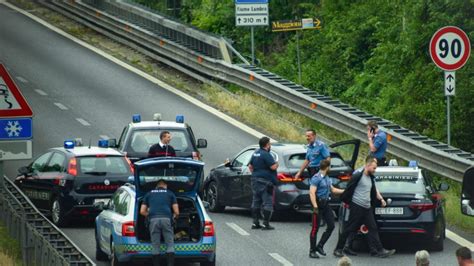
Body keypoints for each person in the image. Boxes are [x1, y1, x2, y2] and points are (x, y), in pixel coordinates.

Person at [334, 156, 395, 258]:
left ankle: (380, 250)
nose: (375, 170)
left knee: (373, 228)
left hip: (367, 207)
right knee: (349, 228)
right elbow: (348, 189)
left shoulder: (371, 177)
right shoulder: (358, 176)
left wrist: (381, 200)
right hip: (357, 206)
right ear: (367, 165)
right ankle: (338, 249)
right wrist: (347, 201)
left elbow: (374, 190)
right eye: (374, 168)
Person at [308, 159, 344, 258]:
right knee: (315, 228)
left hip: (326, 204)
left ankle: (320, 246)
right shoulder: (316, 178)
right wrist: (315, 206)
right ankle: (312, 251)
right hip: (318, 205)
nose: (330, 169)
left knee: (331, 225)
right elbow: (312, 192)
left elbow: (333, 190)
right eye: (330, 167)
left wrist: (345, 191)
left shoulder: (327, 178)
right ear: (327, 167)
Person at [140, 180, 179, 266]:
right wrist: (173, 217)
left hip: (153, 220)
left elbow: (142, 211)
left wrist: (149, 215)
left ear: (157, 186)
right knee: (170, 244)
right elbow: (177, 212)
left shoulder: (149, 194)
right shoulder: (170, 193)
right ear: (165, 186)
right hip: (166, 219)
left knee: (155, 245)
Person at [248, 136, 278, 230]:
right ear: (267, 145)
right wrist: (277, 163)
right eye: (269, 144)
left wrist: (257, 174)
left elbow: (250, 166)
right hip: (265, 182)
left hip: (255, 180)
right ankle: (266, 224)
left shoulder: (255, 153)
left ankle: (255, 223)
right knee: (268, 202)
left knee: (256, 201)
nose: (270, 146)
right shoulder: (266, 154)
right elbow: (273, 167)